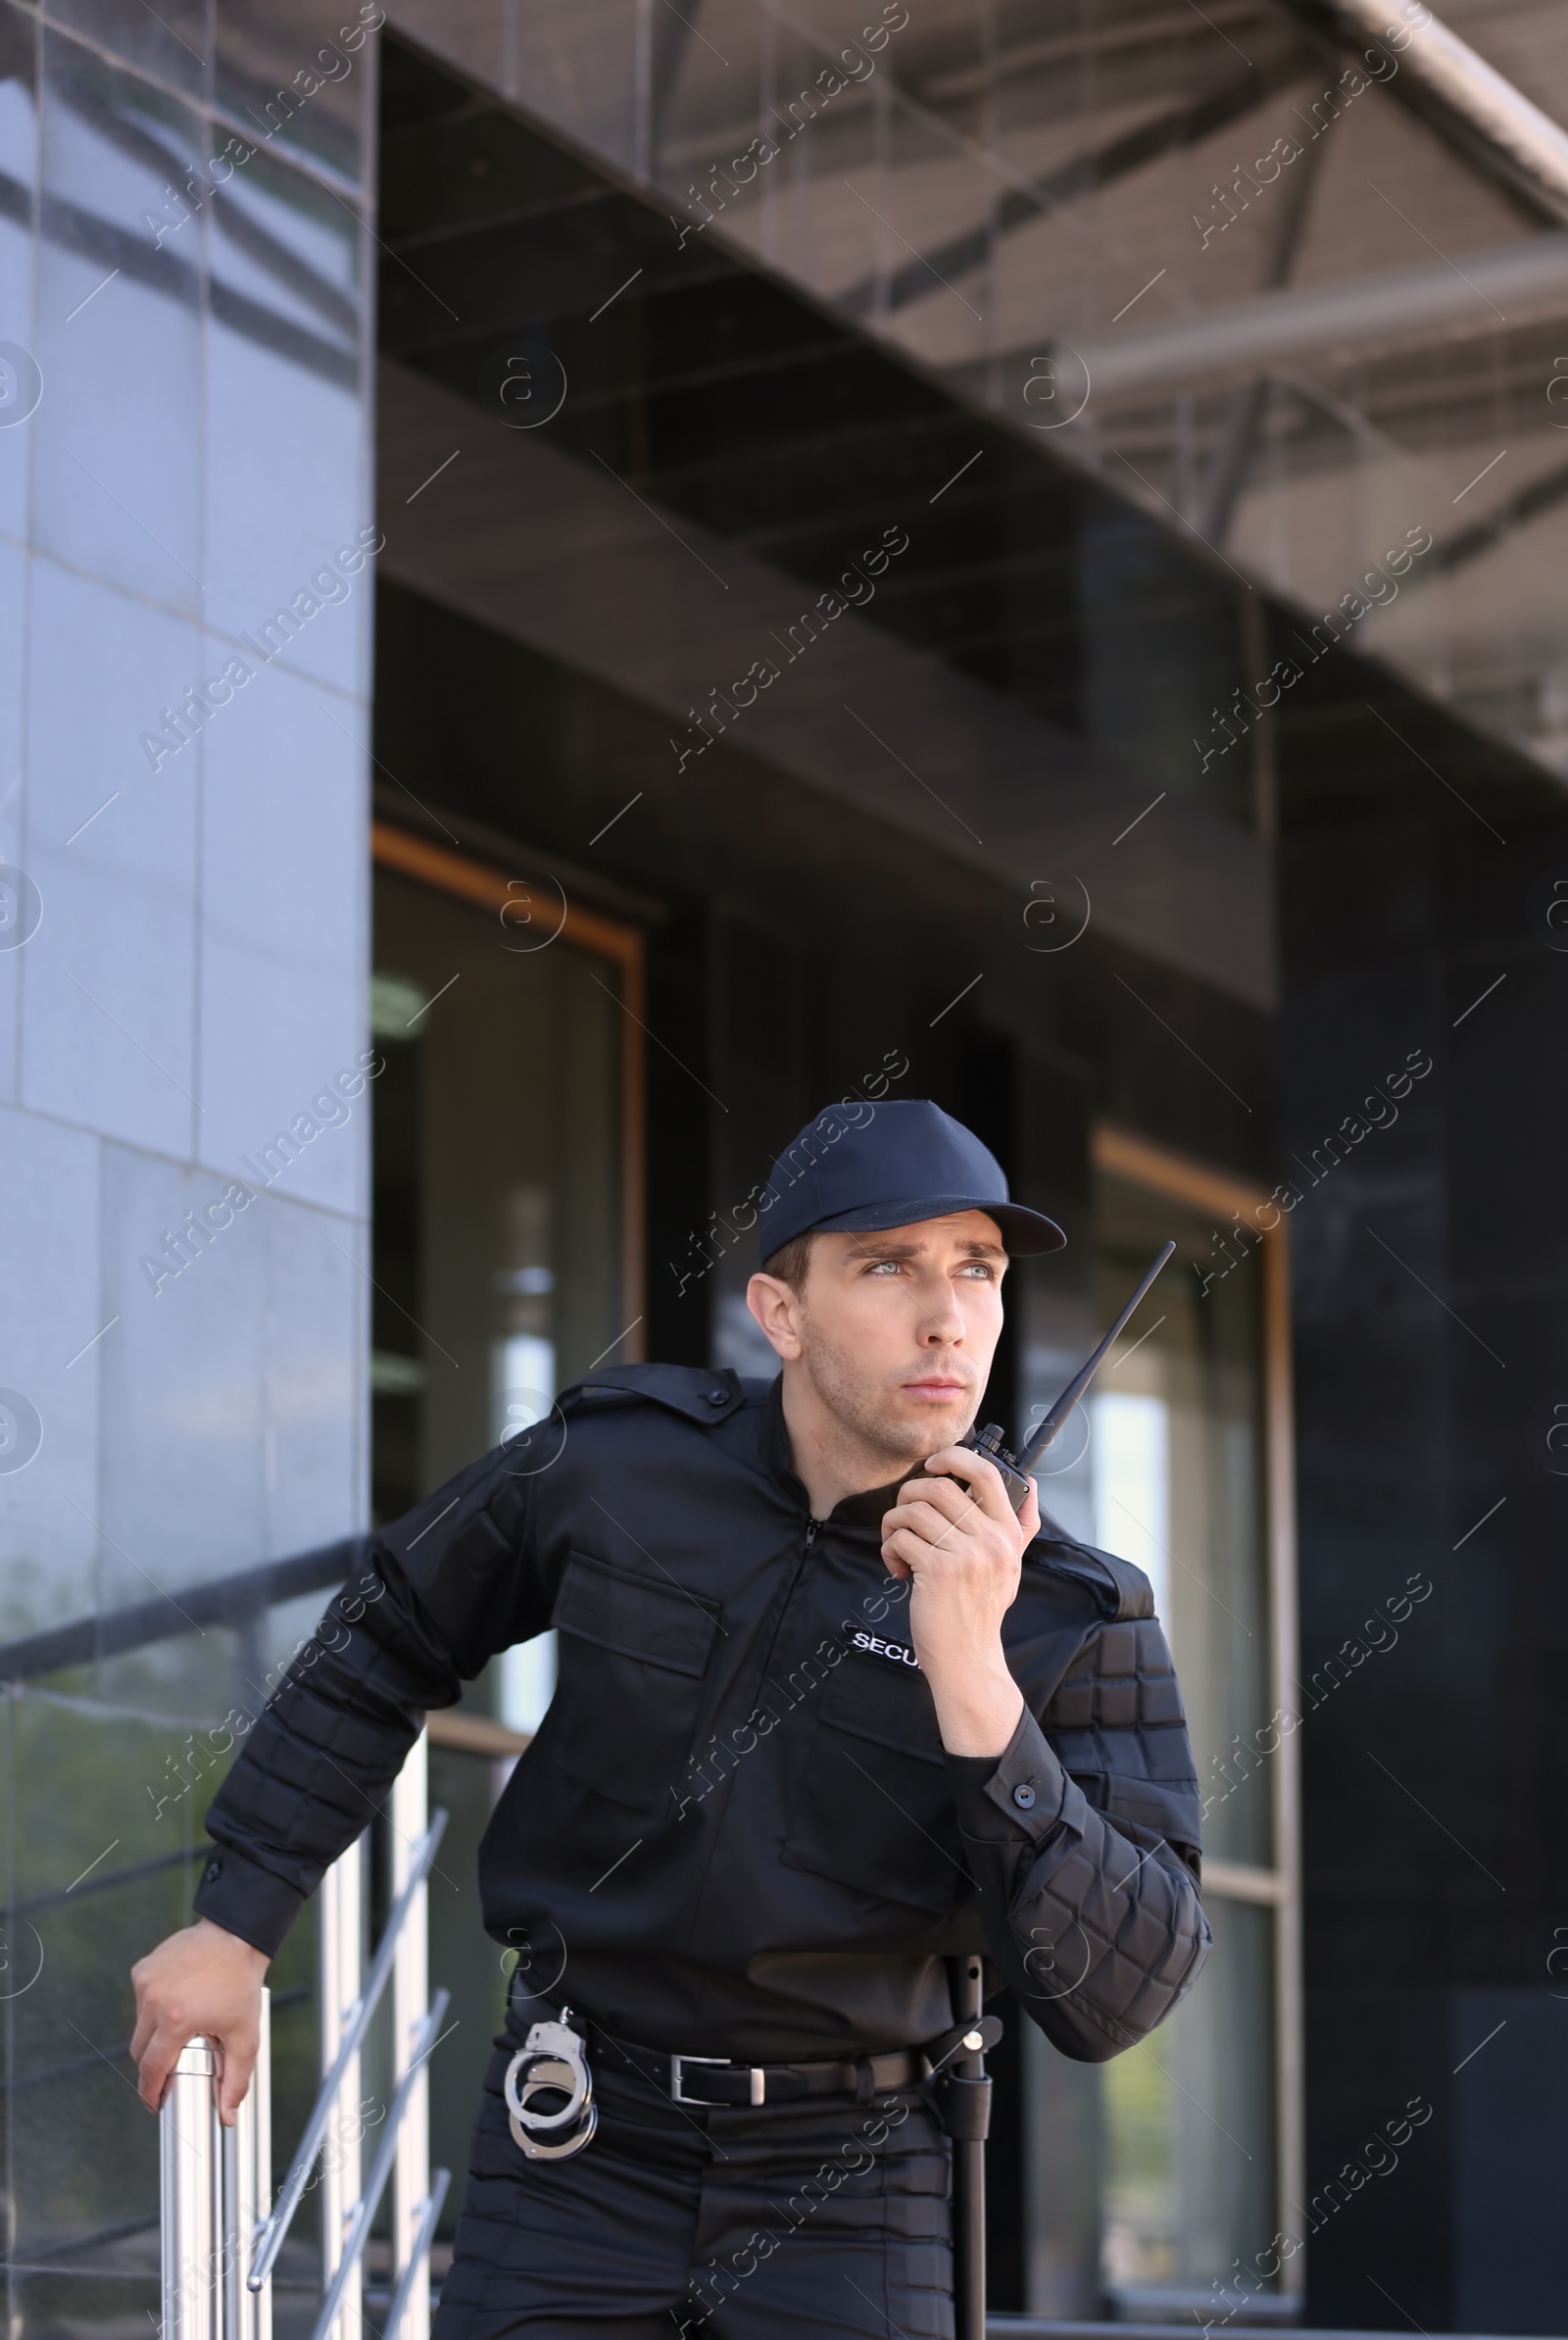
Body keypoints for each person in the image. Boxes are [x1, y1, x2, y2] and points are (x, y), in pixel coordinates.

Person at [130, 1098, 1210, 2339]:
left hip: (858, 2183)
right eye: (888, 1265)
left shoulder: (1075, 1608)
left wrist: (974, 1677)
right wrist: (239, 1917)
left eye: (977, 1269)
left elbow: (1120, 1994)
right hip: (574, 2135)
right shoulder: (615, 1464)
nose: (947, 1314)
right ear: (780, 1311)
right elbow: (389, 1630)